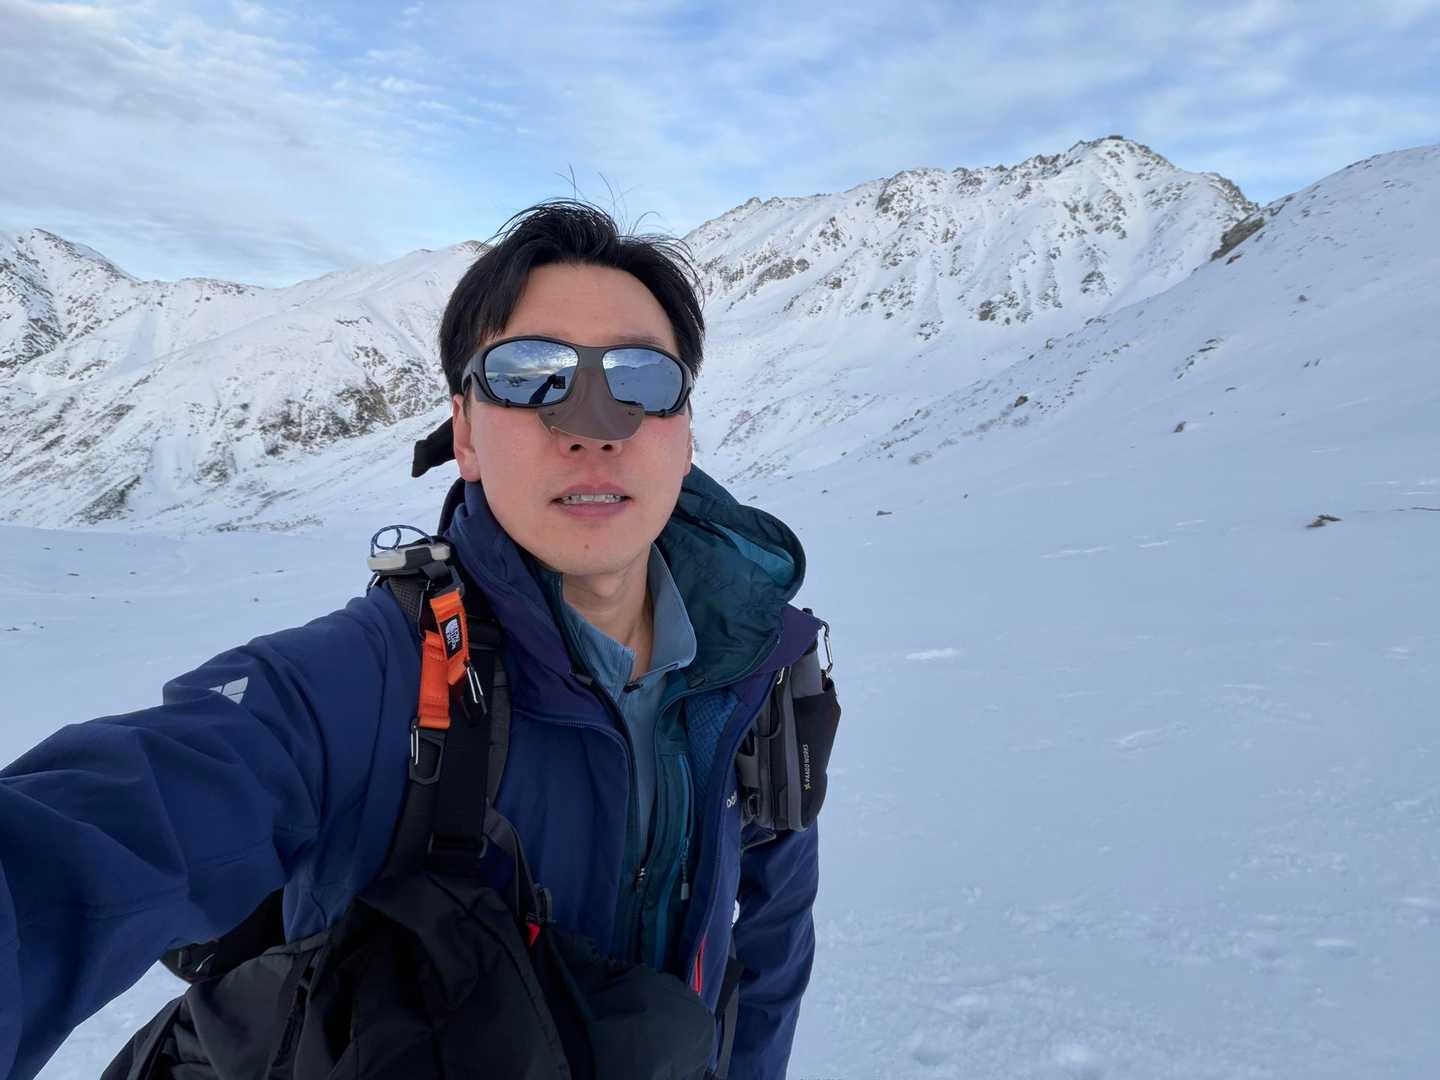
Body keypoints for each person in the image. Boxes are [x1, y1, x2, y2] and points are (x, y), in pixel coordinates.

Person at [0, 201, 830, 1080]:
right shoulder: (366, 687)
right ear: (464, 434)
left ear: (686, 433)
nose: (594, 426)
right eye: (532, 376)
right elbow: (84, 848)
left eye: (642, 380)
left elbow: (770, 948)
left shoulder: (755, 668)